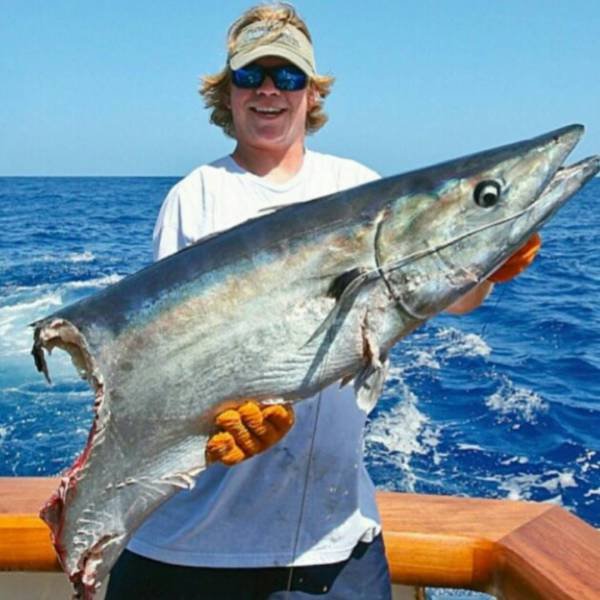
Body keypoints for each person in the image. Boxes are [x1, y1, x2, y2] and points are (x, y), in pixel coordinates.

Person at [106, 4, 540, 599]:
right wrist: (217, 420)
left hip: (333, 546)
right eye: (249, 76)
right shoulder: (196, 197)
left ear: (311, 94)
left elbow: (445, 297)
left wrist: (486, 261)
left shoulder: (357, 187)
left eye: (287, 78)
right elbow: (165, 354)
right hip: (192, 546)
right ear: (225, 94)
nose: (268, 91)